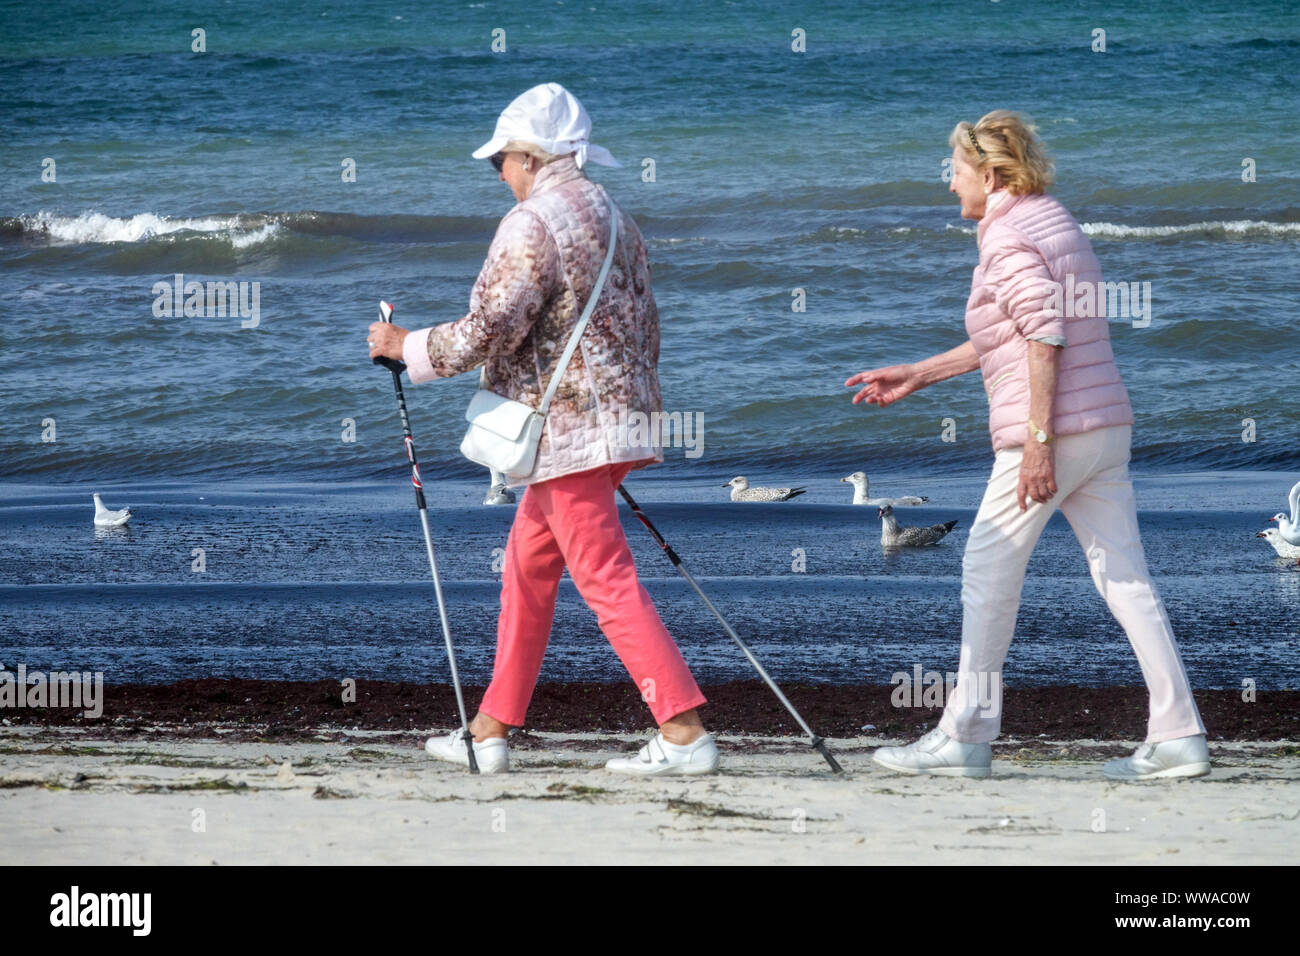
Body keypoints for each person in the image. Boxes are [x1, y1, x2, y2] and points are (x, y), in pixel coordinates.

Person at [845, 110, 1209, 781]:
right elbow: (1017, 330)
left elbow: (1045, 338)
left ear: (989, 173)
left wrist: (1039, 445)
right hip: (1104, 430)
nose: (949, 188)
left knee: (986, 569)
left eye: (954, 173)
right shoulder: (1052, 219)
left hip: (1054, 435)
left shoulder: (1007, 238)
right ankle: (1179, 733)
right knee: (1126, 580)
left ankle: (966, 735)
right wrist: (921, 373)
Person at [367, 83, 717, 776]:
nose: (497, 172)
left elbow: (492, 327)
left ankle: (684, 734)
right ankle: (490, 732)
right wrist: (626, 414)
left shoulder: (533, 222)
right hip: (615, 420)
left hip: (567, 434)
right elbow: (646, 322)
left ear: (529, 155)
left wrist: (406, 347)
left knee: (605, 578)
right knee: (528, 572)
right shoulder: (613, 214)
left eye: (499, 159)